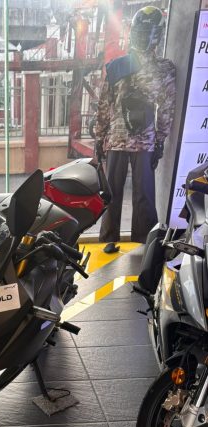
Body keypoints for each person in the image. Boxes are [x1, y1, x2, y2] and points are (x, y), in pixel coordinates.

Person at [95, 6, 176, 253]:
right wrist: (160, 139)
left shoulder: (120, 66)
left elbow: (105, 105)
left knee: (120, 196)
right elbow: (166, 110)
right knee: (139, 197)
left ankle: (115, 242)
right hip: (139, 140)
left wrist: (99, 136)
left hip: (125, 139)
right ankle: (143, 245)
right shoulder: (163, 70)